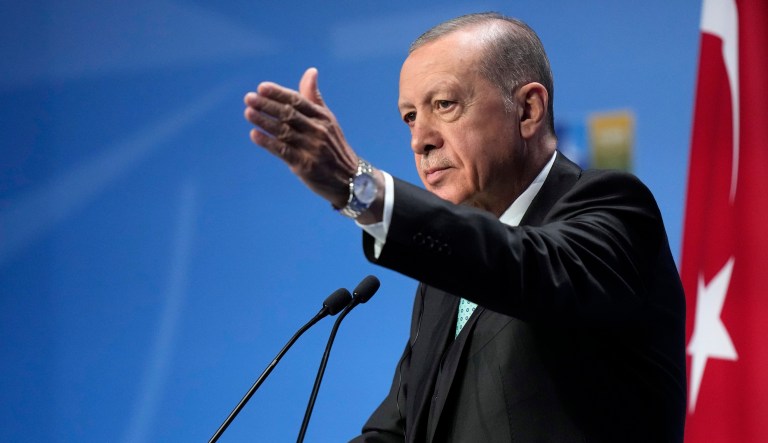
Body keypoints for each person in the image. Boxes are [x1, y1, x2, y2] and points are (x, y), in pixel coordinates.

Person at [243, 12, 686, 443]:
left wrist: (360, 189)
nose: (420, 140)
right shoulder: (443, 282)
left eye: (444, 105)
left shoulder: (615, 209)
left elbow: (526, 268)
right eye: (410, 117)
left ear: (527, 110)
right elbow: (397, 430)